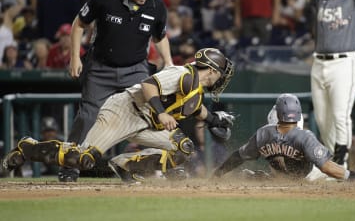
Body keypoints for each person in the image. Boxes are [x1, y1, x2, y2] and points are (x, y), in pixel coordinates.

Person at [3, 48, 235, 183]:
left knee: (183, 148)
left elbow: (195, 108)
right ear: (212, 70)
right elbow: (148, 85)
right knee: (83, 160)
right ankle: (28, 147)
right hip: (125, 110)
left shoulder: (195, 89)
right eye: (221, 73)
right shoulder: (183, 73)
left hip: (146, 123)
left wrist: (215, 119)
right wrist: (163, 113)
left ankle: (125, 165)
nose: (222, 78)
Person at [59, 0, 174, 182]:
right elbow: (79, 23)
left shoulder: (156, 5)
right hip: (101, 68)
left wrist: (168, 62)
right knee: (87, 117)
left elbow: (160, 37)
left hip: (136, 69)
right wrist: (75, 57)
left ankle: (166, 162)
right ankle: (70, 165)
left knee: (152, 114)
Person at [287, 0, 355, 174]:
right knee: (323, 118)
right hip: (319, 63)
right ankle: (330, 166)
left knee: (340, 114)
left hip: (343, 63)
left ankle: (341, 162)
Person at [212, 94, 355, 181]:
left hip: (297, 176)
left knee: (261, 176)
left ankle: (265, 178)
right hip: (309, 177)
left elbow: (238, 156)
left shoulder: (264, 133)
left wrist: (217, 174)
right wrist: (354, 177)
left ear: (277, 114)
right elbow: (327, 167)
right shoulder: (304, 136)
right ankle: (266, 178)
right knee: (332, 177)